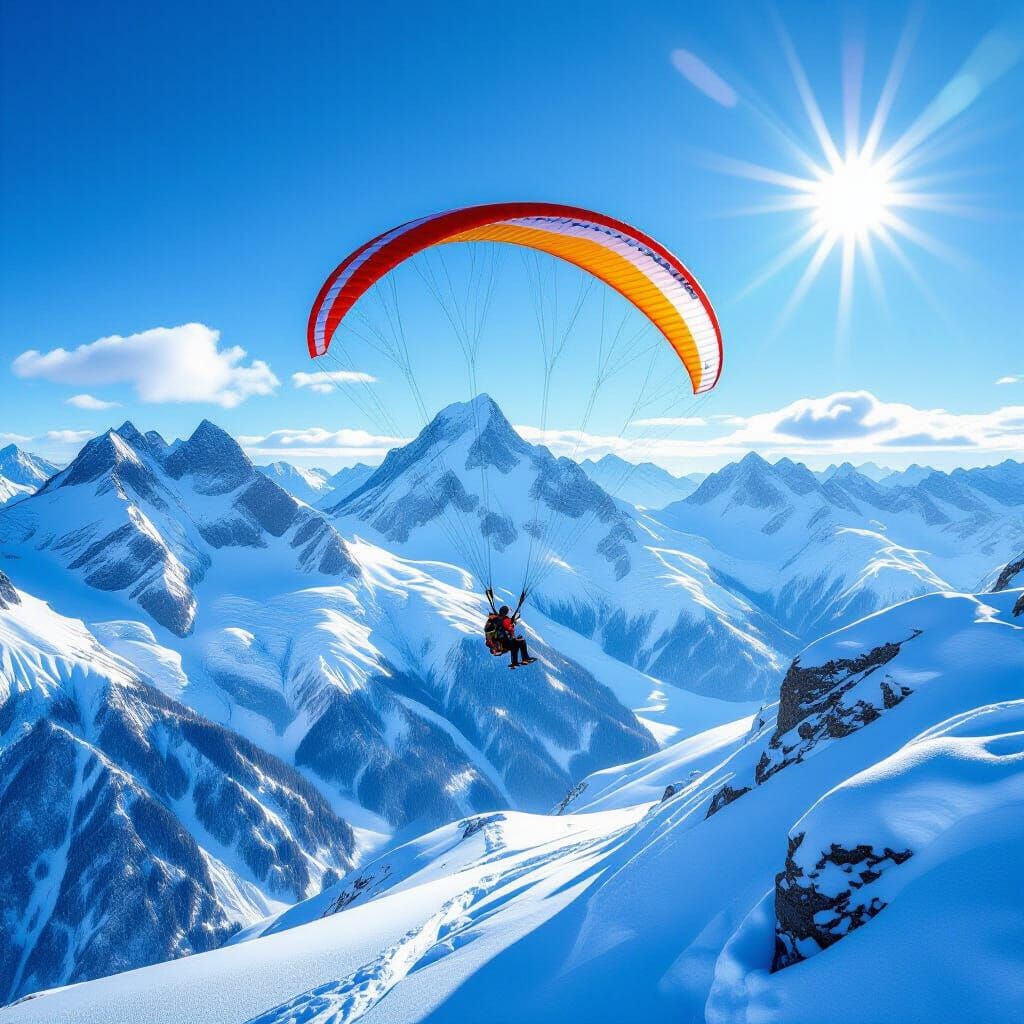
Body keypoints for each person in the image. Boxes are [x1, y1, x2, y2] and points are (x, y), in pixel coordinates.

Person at [496, 604, 536, 669]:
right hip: (506, 643)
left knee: (516, 643)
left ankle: (514, 662)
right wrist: (514, 623)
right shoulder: (506, 620)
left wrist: (513, 621)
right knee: (522, 641)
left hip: (502, 643)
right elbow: (510, 627)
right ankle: (525, 658)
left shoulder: (498, 619)